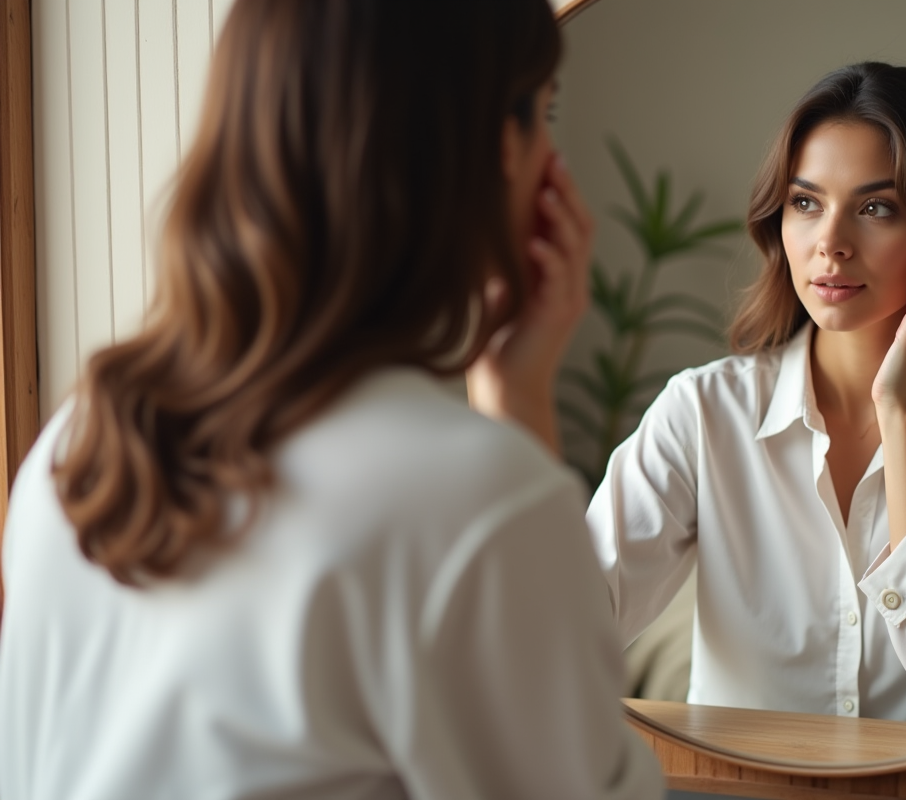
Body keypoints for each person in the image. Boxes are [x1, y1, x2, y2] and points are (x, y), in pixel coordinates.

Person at [0, 2, 663, 798]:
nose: (556, 162)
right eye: (543, 115)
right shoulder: (474, 500)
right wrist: (519, 407)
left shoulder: (73, 450)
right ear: (487, 149)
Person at [583, 62, 906, 735]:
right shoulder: (702, 412)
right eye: (806, 203)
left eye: (876, 208)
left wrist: (900, 414)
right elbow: (565, 629)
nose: (831, 244)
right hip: (721, 783)